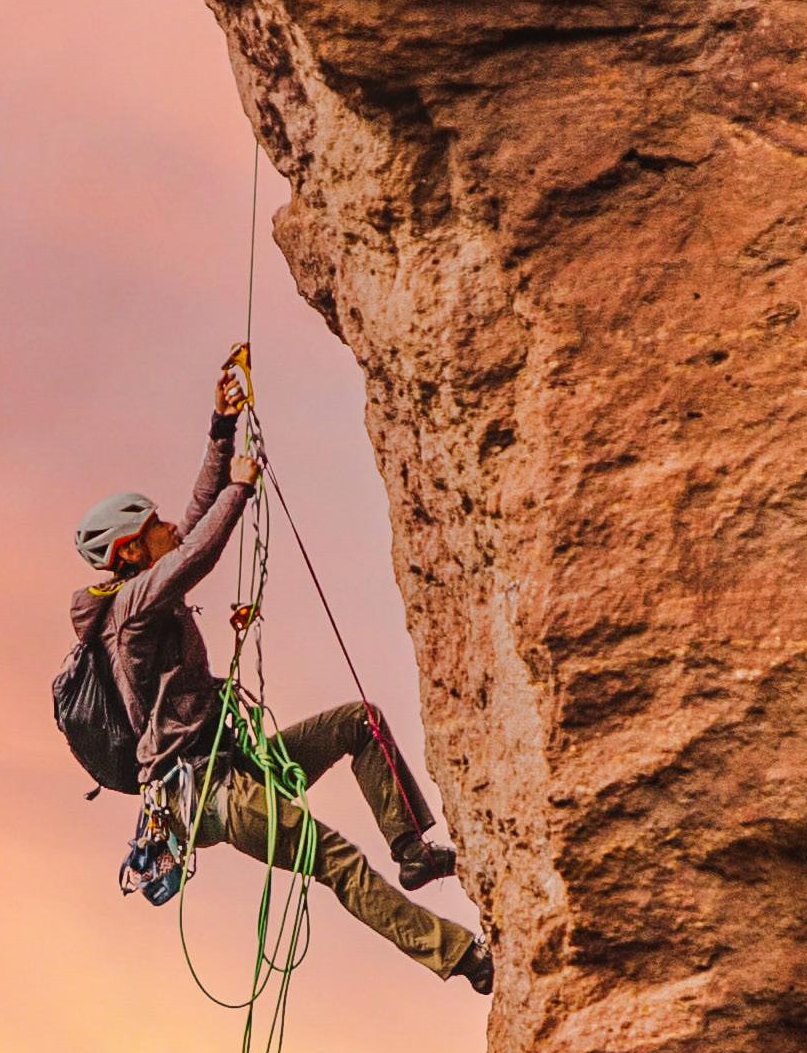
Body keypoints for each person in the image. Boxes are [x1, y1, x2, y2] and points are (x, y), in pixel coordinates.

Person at [69, 362, 492, 995]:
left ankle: (413, 852)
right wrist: (239, 489)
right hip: (209, 792)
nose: (169, 526)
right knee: (337, 862)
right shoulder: (131, 609)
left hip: (230, 765)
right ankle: (462, 957)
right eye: (154, 525)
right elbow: (198, 551)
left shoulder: (144, 590)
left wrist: (222, 429)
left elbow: (193, 524)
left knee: (359, 723)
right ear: (129, 551)